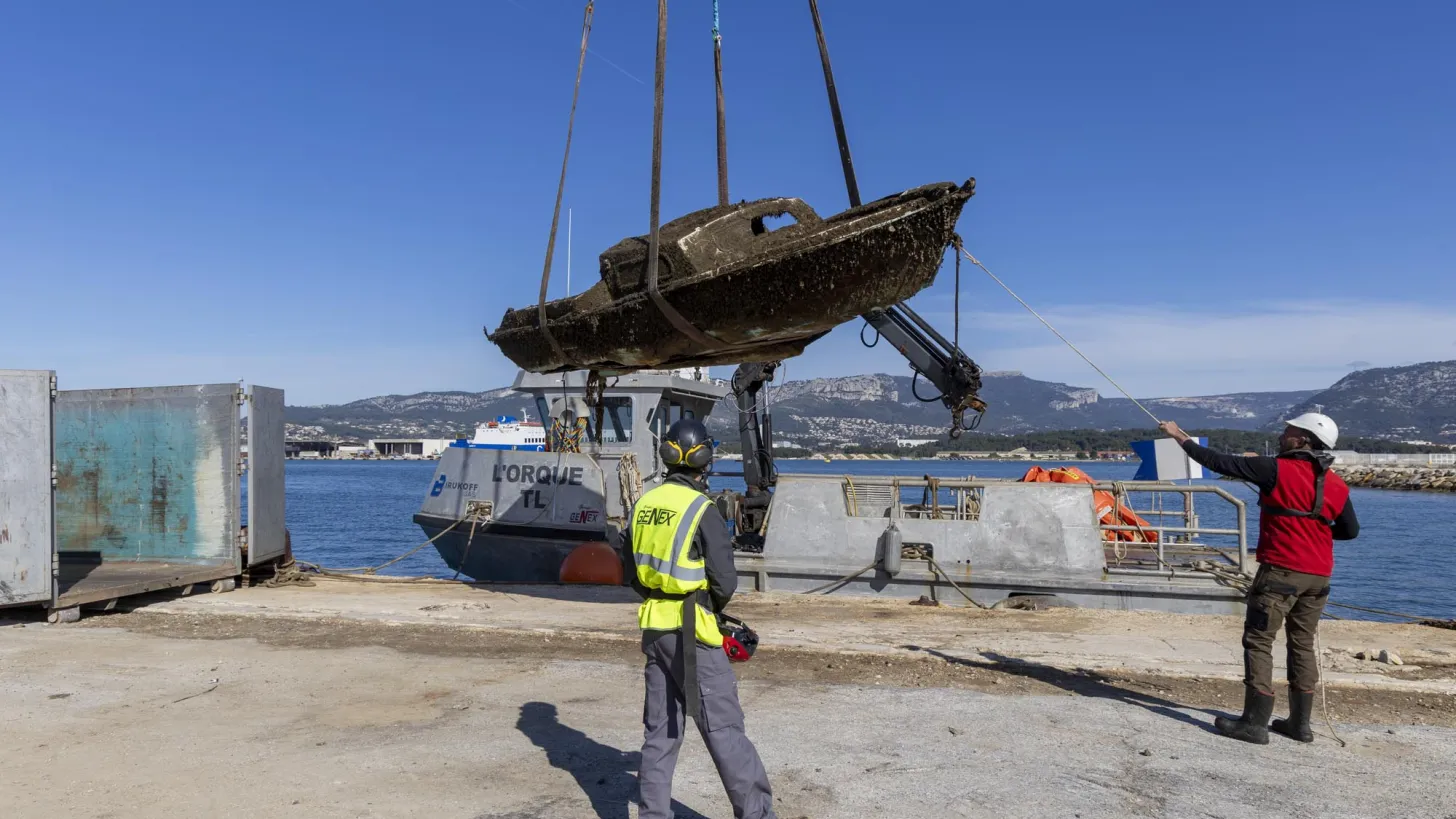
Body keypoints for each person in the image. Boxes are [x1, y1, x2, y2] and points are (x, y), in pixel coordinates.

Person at [1158, 414, 1359, 745]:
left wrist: (1180, 436)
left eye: (1288, 432)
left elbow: (1217, 461)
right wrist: (1313, 528)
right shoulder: (1335, 483)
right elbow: (1350, 531)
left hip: (1281, 571)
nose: (1282, 435)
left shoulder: (1276, 469)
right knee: (1302, 643)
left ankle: (1255, 722)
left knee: (1259, 640)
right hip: (1319, 576)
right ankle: (1300, 724)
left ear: (1301, 440)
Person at [618, 418, 777, 819]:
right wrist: (711, 609)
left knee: (661, 732)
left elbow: (630, 572)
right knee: (724, 730)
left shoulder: (643, 505)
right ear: (704, 459)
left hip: (655, 628)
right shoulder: (702, 509)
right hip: (695, 633)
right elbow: (725, 580)